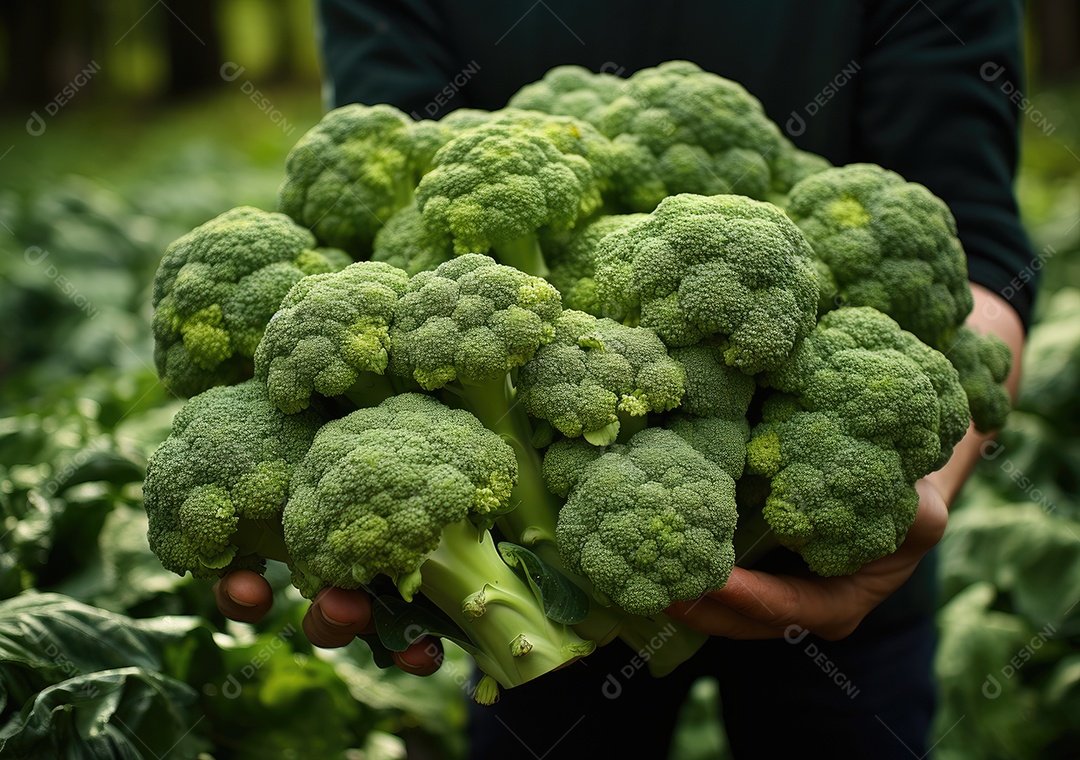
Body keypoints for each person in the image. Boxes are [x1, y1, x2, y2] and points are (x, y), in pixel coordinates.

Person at [213, 1, 1034, 755]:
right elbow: (378, 183)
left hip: (840, 560)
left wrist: (917, 483)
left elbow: (979, 247)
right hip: (545, 562)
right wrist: (362, 506)